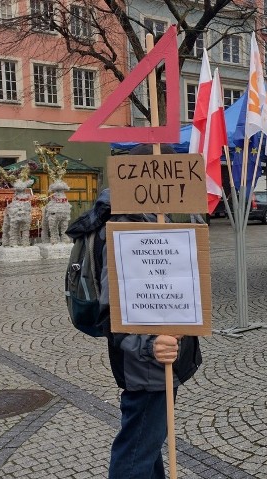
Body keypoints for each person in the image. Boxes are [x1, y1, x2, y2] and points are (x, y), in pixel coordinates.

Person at [66, 186, 203, 478]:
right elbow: (111, 312)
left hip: (160, 360)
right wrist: (149, 345)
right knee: (134, 456)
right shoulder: (125, 227)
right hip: (147, 367)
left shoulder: (153, 217)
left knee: (146, 447)